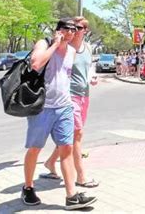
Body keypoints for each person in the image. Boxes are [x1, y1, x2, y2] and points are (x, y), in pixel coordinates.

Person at [22, 18, 97, 210]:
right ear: (58, 30)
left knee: (66, 149)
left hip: (64, 106)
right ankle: (28, 187)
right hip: (43, 107)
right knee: (34, 149)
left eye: (74, 29)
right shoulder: (44, 43)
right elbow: (36, 64)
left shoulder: (72, 51)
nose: (72, 32)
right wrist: (56, 43)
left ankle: (71, 195)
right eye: (68, 29)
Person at [42, 16, 100, 189]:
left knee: (70, 136)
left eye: (79, 28)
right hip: (69, 96)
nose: (74, 31)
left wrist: (93, 77)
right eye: (72, 27)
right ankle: (81, 177)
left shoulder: (87, 48)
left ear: (85, 31)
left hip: (84, 95)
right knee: (77, 135)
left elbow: (88, 68)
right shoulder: (64, 48)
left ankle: (50, 163)